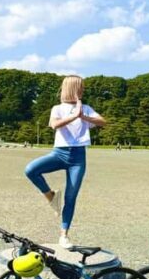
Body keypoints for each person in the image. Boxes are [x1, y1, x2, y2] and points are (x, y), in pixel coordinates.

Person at [24, 75, 106, 249]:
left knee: (70, 197)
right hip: (59, 153)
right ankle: (51, 195)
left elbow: (103, 122)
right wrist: (74, 116)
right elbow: (54, 125)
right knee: (31, 169)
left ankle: (64, 234)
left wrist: (84, 116)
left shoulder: (86, 108)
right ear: (72, 88)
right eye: (80, 87)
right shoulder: (57, 108)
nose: (83, 90)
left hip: (78, 158)